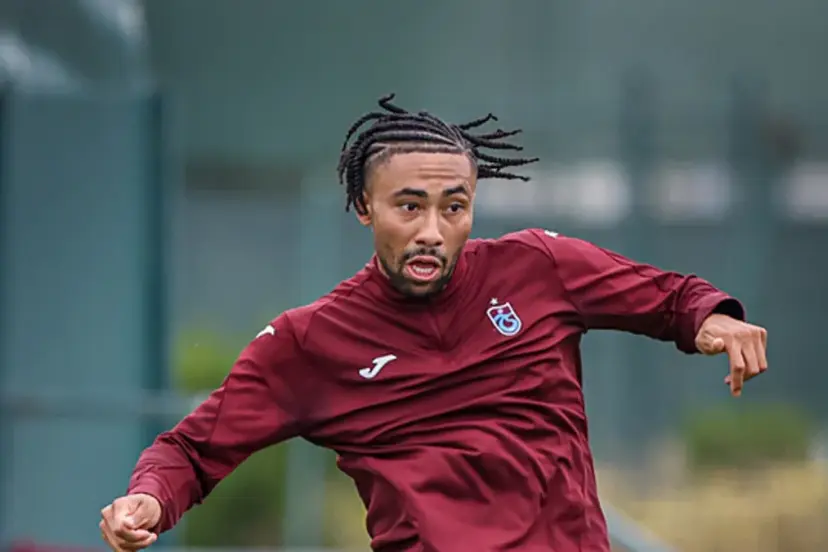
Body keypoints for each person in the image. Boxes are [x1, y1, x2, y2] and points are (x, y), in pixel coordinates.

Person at [99, 95, 768, 552]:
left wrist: (714, 318)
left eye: (454, 207)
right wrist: (148, 501)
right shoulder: (309, 342)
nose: (431, 230)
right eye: (409, 206)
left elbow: (666, 296)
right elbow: (191, 451)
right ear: (364, 207)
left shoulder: (538, 267)